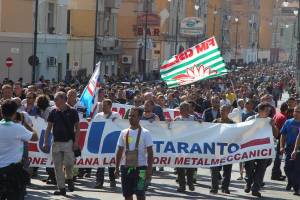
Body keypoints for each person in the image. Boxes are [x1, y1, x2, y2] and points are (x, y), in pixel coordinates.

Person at [43, 92, 80, 196]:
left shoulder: (73, 112)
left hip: (68, 142)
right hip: (56, 142)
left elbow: (78, 128)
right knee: (57, 166)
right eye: (54, 99)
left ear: (63, 99)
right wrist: (46, 142)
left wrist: (76, 142)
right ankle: (62, 188)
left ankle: (69, 179)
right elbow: (48, 128)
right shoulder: (53, 112)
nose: (54, 101)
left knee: (69, 164)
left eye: (56, 99)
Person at [0, 100, 38, 199]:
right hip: (13, 171)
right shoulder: (18, 128)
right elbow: (35, 137)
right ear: (15, 113)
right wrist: (25, 123)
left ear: (1, 112)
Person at [115, 107, 153, 200]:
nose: (130, 118)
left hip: (141, 170)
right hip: (126, 168)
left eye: (133, 116)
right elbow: (119, 150)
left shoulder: (145, 133)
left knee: (140, 194)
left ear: (139, 117)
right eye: (129, 115)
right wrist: (116, 168)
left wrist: (149, 169)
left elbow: (150, 152)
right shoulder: (123, 132)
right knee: (127, 195)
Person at [244, 103, 279, 197]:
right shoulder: (250, 119)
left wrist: (273, 126)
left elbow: (276, 135)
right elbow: (243, 133)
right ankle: (248, 182)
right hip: (251, 149)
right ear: (260, 110)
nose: (268, 112)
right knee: (249, 167)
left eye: (269, 111)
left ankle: (255, 189)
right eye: (266, 110)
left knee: (261, 169)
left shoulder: (270, 120)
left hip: (264, 150)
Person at [94, 99, 121, 189]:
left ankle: (112, 180)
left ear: (110, 106)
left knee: (111, 163)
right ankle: (99, 182)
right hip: (101, 142)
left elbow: (120, 126)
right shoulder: (98, 116)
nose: (103, 107)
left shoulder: (116, 115)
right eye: (102, 105)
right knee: (100, 163)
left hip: (112, 142)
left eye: (105, 105)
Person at [210, 105, 234, 194]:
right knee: (214, 170)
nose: (222, 111)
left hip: (228, 150)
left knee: (227, 170)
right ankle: (214, 187)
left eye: (224, 110)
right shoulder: (215, 122)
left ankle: (225, 187)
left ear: (228, 111)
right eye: (221, 110)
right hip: (216, 149)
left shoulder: (232, 124)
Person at [175, 102, 197, 192]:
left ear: (188, 110)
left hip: (190, 146)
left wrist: (200, 123)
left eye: (183, 108)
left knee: (190, 167)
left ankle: (190, 183)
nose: (180, 110)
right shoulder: (176, 120)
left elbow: (201, 128)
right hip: (180, 146)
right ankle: (182, 185)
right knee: (180, 168)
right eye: (180, 108)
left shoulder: (194, 119)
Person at [280, 105, 300, 195]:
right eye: (295, 111)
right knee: (287, 168)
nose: (295, 113)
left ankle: (297, 188)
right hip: (289, 147)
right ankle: (290, 181)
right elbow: (283, 135)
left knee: (296, 169)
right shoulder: (288, 122)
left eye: (298, 112)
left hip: (298, 149)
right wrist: (281, 146)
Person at [271, 102, 288, 181]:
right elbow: (283, 131)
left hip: (275, 138)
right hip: (280, 139)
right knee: (279, 157)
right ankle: (275, 174)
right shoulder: (283, 117)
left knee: (278, 157)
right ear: (286, 109)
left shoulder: (277, 114)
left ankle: (277, 172)